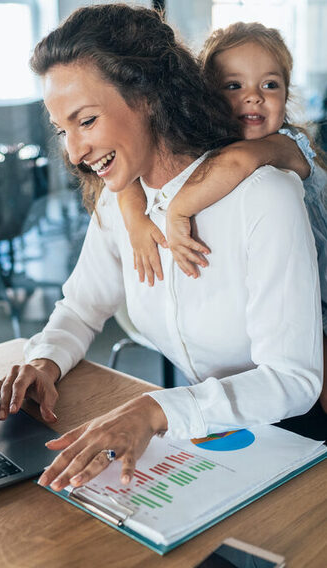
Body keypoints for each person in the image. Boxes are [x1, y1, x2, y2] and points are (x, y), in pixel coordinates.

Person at [0, 5, 323, 492]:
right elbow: (81, 307)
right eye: (62, 130)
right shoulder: (121, 201)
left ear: (149, 97)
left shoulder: (264, 196)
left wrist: (153, 409)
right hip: (214, 438)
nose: (73, 152)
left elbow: (294, 379)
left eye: (86, 121)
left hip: (299, 444)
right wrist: (43, 362)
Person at [116, 21, 327, 415]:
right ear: (206, 97)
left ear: (287, 93)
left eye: (270, 85)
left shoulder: (285, 145)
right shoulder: (201, 149)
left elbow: (239, 161)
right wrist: (133, 218)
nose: (254, 98)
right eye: (234, 86)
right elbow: (129, 174)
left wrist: (177, 210)